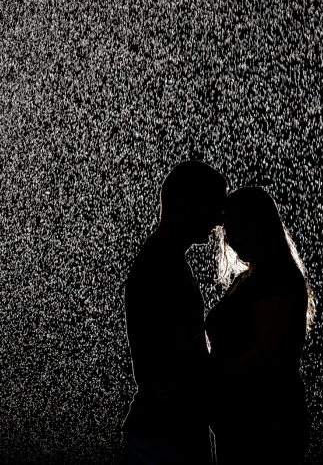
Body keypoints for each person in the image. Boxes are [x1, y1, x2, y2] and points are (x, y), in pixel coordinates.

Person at [122, 160, 228, 465]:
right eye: (214, 207)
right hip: (165, 435)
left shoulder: (164, 260)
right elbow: (176, 345)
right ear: (186, 205)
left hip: (167, 430)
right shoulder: (160, 266)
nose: (220, 220)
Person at [205, 186, 315, 464]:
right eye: (227, 230)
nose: (232, 239)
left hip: (267, 419)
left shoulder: (276, 276)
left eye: (241, 228)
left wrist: (212, 380)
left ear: (263, 226)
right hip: (243, 418)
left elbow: (267, 352)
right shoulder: (249, 277)